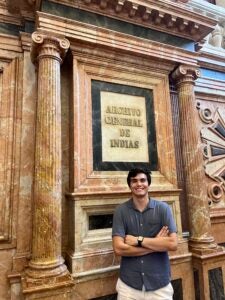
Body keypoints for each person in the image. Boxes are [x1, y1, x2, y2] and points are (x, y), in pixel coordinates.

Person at [112, 168, 178, 300]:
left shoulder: (163, 209)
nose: (139, 184)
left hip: (159, 286)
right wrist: (156, 244)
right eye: (134, 181)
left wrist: (138, 240)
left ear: (148, 183)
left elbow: (173, 244)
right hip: (129, 286)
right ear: (130, 185)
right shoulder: (121, 211)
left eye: (142, 180)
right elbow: (118, 249)